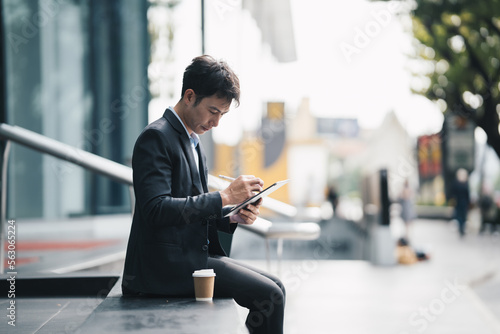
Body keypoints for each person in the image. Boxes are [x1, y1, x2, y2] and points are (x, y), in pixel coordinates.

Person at [122, 55, 285, 334]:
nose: (216, 122)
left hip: (190, 257)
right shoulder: (156, 137)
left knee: (276, 288)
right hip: (165, 268)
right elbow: (155, 210)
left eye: (222, 114)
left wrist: (231, 216)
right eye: (213, 111)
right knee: (271, 296)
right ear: (189, 96)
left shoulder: (194, 142)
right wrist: (224, 197)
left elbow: (192, 208)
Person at [450, 168, 470, 237]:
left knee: (463, 216)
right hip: (458, 202)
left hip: (463, 203)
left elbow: (467, 194)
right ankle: (460, 229)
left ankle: (462, 229)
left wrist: (468, 202)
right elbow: (453, 193)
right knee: (459, 216)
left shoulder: (466, 183)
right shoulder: (456, 183)